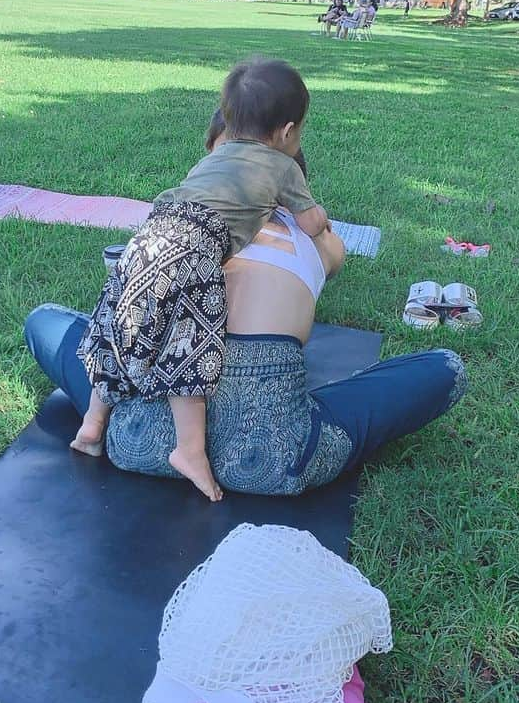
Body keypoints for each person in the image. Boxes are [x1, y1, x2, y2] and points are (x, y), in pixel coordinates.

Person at [27, 136, 467, 498]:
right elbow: (325, 257)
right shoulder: (319, 239)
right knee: (445, 367)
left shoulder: (180, 225)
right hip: (279, 457)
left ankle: (101, 424)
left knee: (45, 319)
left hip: (137, 438)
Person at [71, 59, 329, 502]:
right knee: (190, 352)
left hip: (146, 241)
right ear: (288, 132)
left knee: (122, 331)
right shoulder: (282, 166)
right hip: (195, 250)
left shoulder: (215, 156)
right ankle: (189, 450)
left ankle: (92, 425)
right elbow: (309, 223)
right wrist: (317, 215)